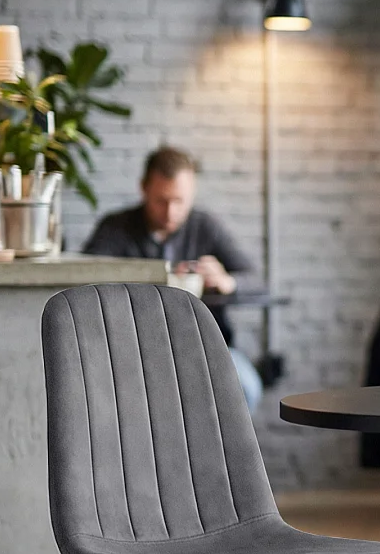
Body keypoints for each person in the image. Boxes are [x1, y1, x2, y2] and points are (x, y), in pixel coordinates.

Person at [82, 147, 265, 409]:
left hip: (207, 348)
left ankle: (219, 452)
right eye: (161, 201)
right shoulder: (116, 229)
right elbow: (86, 281)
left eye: (179, 201)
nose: (170, 213)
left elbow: (256, 280)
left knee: (246, 387)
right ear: (143, 189)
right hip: (133, 350)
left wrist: (228, 281)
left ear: (193, 194)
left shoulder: (205, 227)